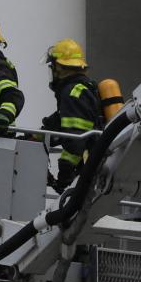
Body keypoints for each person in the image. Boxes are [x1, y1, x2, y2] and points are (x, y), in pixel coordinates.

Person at [39, 38, 105, 191]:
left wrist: (64, 178)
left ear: (60, 68)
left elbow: (75, 140)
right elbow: (61, 122)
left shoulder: (71, 93)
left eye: (53, 66)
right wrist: (37, 137)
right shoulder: (83, 88)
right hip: (93, 164)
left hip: (86, 169)